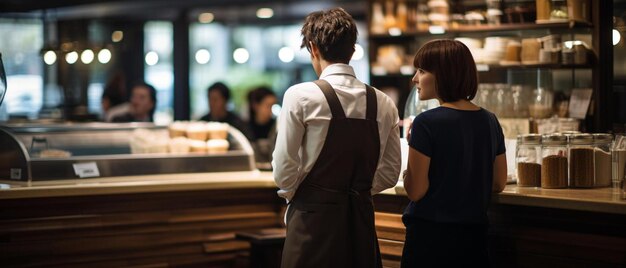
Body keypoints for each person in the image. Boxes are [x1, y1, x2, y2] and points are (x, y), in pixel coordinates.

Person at [272, 8, 401, 268]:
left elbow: (283, 172)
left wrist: (310, 196)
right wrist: (354, 192)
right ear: (352, 50)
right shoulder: (384, 102)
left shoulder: (300, 96)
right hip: (360, 221)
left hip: (311, 222)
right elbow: (390, 173)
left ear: (313, 48)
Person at [400, 39, 508, 267]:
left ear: (442, 74)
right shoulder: (490, 120)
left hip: (431, 241)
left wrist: (406, 175)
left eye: (421, 70)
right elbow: (498, 182)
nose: (415, 79)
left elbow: (416, 191)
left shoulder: (426, 122)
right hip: (474, 240)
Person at [247, 86, 277, 168]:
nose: (271, 110)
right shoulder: (245, 127)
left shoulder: (277, 127)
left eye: (272, 106)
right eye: (268, 105)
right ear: (255, 105)